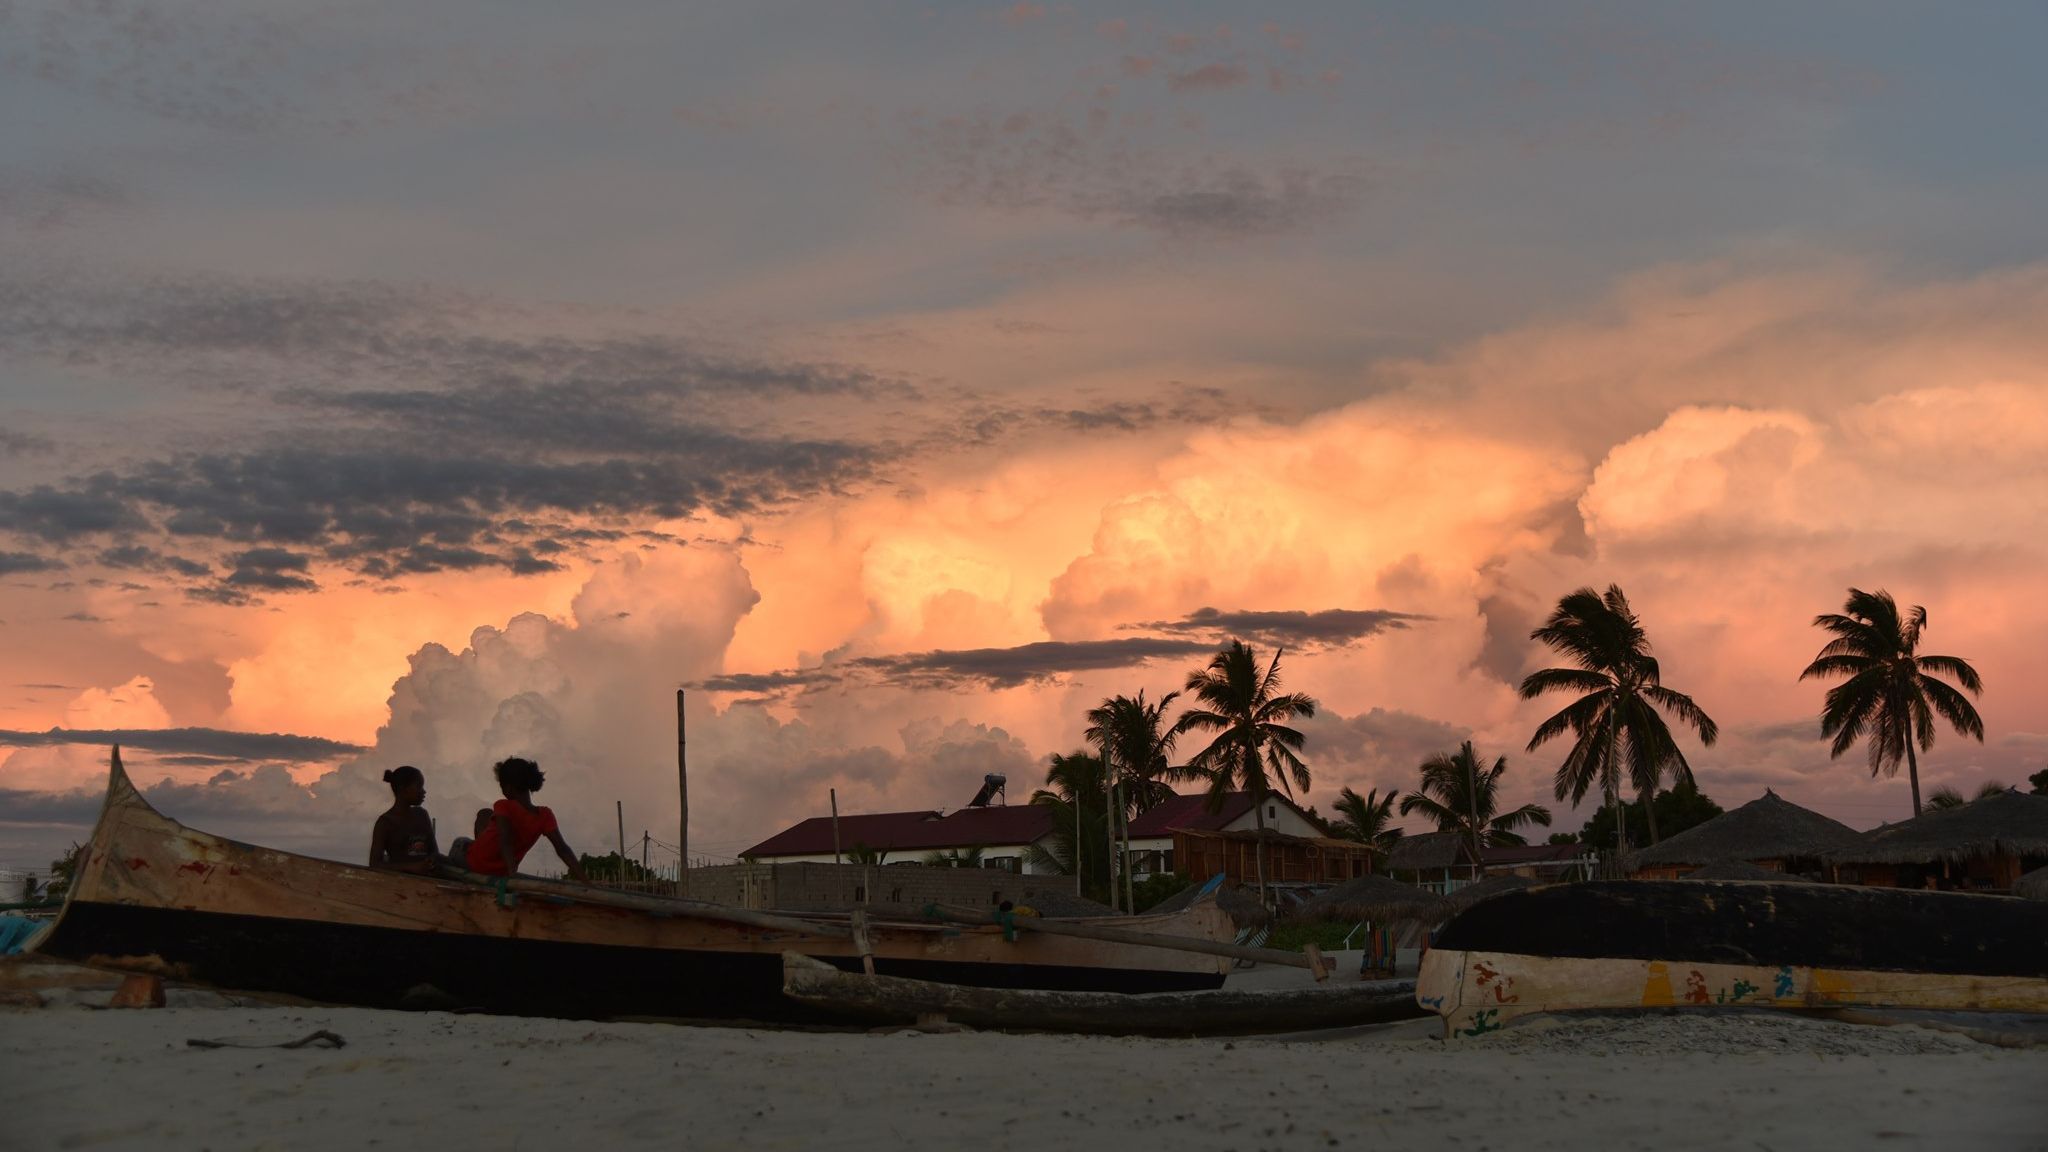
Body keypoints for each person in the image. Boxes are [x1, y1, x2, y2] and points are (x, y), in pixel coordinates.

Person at [464, 757, 588, 882]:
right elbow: (563, 849)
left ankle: (479, 850)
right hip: (500, 870)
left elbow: (505, 840)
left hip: (472, 862)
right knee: (485, 814)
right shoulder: (545, 815)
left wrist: (512, 874)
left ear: (508, 788)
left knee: (471, 831)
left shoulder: (503, 806)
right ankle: (482, 848)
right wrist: (586, 882)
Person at [368, 766, 440, 874]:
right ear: (404, 789)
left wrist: (430, 861)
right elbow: (375, 864)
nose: (423, 791)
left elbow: (434, 851)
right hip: (400, 883)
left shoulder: (422, 815)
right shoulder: (385, 823)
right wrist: (411, 867)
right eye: (419, 787)